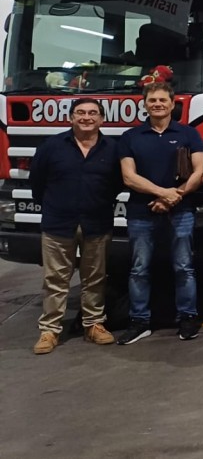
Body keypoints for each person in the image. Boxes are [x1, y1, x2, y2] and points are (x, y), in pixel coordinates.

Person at [30, 98, 122, 354]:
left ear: (101, 119)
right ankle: (49, 330)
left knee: (95, 278)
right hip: (58, 222)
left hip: (97, 222)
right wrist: (52, 206)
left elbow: (117, 184)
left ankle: (93, 325)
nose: (86, 117)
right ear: (71, 117)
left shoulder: (112, 149)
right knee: (55, 279)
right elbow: (37, 182)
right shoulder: (52, 146)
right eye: (80, 112)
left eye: (93, 113)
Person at [117, 82, 203, 345]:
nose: (157, 104)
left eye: (162, 100)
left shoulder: (189, 134)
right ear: (144, 104)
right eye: (152, 100)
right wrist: (163, 193)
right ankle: (139, 321)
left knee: (184, 267)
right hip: (140, 213)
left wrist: (172, 197)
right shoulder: (130, 137)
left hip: (181, 211)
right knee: (139, 269)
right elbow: (128, 177)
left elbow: (199, 172)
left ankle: (188, 317)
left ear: (172, 103)